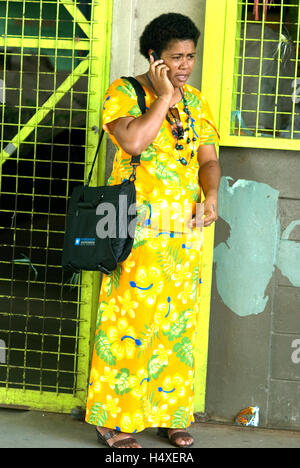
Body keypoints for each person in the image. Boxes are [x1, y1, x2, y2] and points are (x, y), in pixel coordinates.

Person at [85, 12, 221, 448]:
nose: (184, 66)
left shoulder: (197, 102)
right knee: (130, 324)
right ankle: (116, 421)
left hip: (182, 237)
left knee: (177, 328)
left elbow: (208, 159)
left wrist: (212, 194)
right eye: (175, 58)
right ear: (153, 57)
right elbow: (134, 143)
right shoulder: (124, 93)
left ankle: (171, 413)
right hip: (133, 231)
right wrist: (162, 97)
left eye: (190, 57)